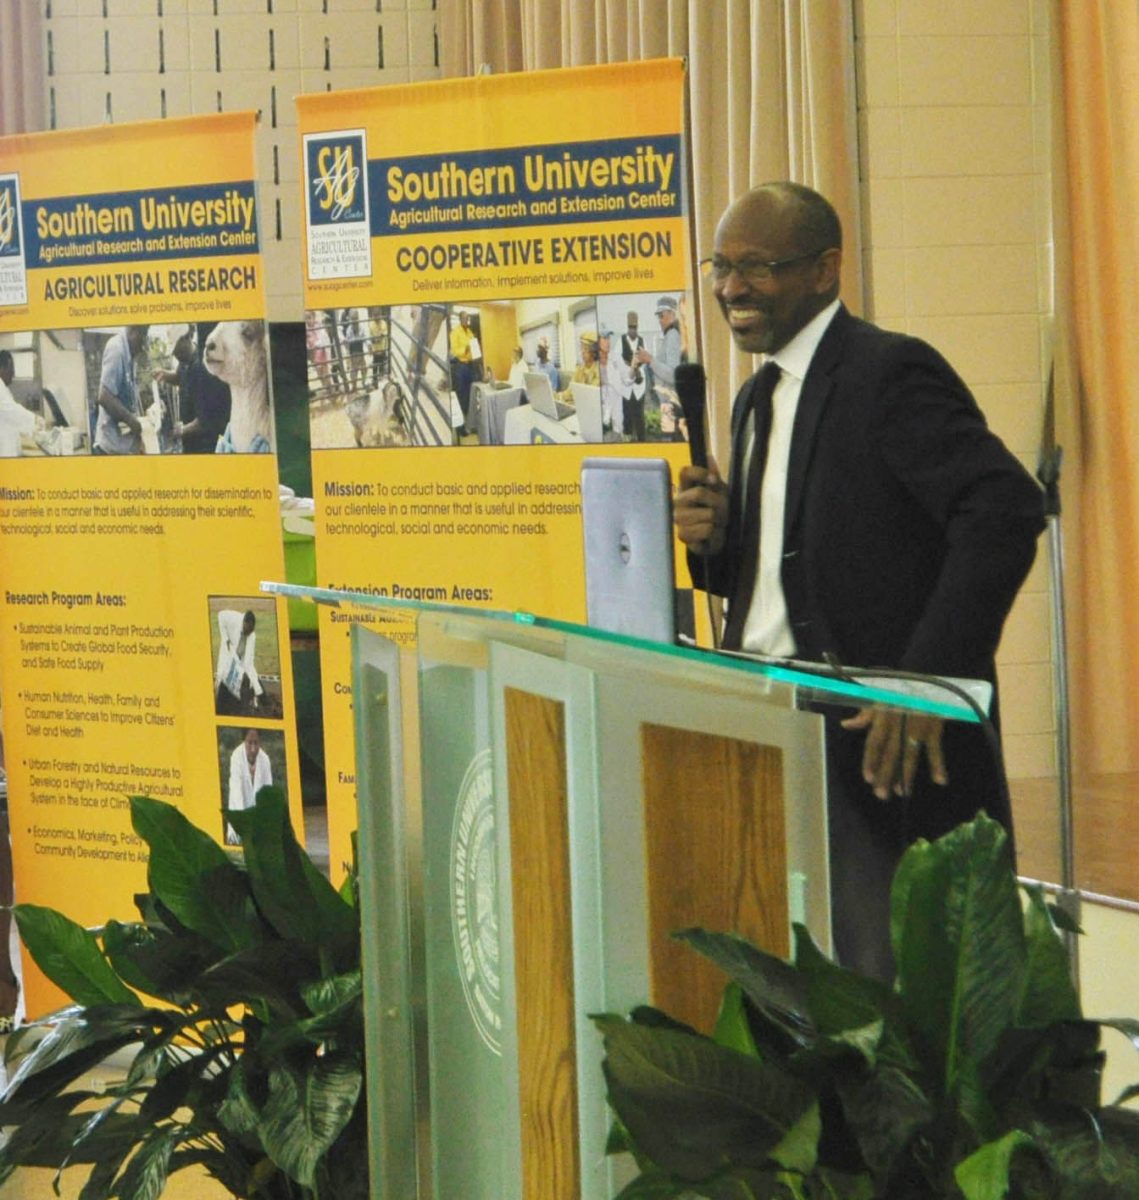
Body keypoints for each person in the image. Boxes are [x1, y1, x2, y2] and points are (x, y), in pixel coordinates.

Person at [674, 182, 1045, 979]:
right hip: (768, 725)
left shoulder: (887, 373)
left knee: (890, 999)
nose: (730, 288)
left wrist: (923, 682)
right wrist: (715, 544)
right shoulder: (753, 397)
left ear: (824, 269)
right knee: (791, 988)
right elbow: (790, 564)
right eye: (721, 266)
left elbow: (1005, 511)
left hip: (871, 746)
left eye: (757, 268)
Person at [155, 325, 232, 454]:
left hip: (205, 446)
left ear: (185, 338)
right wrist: (165, 375)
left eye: (176, 348)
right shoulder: (184, 362)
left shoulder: (202, 369)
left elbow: (206, 419)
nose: (174, 353)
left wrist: (182, 430)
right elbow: (180, 377)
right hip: (191, 442)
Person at [94, 325, 149, 455]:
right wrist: (131, 421)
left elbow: (126, 400)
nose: (143, 344)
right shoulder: (117, 350)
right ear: (133, 332)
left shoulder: (130, 353)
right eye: (143, 336)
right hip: (110, 450)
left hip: (123, 447)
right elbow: (104, 396)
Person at [214, 609, 264, 716]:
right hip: (228, 654)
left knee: (244, 680)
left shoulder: (252, 636)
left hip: (239, 659)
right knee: (223, 678)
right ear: (244, 623)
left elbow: (249, 662)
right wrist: (225, 638)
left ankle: (245, 704)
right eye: (248, 630)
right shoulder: (234, 618)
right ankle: (219, 707)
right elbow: (220, 615)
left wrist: (258, 690)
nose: (249, 633)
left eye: (251, 631)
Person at [226, 728, 272, 844]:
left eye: (256, 743)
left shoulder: (265, 760)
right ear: (244, 741)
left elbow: (267, 793)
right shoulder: (236, 757)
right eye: (249, 743)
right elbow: (236, 792)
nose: (253, 749)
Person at [635, 295, 683, 390]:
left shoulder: (673, 335)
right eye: (658, 317)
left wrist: (650, 360)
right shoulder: (670, 335)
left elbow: (674, 375)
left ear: (673, 314)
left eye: (661, 316)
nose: (660, 321)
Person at [0, 350, 38, 457]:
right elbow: (12, 410)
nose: (13, 373)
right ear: (1, 369)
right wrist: (35, 419)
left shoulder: (3, 388)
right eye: (11, 369)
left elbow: (12, 417)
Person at [619, 311, 647, 439]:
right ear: (627, 326)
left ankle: (642, 443)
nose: (632, 330)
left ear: (638, 327)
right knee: (627, 419)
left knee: (640, 419)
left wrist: (638, 367)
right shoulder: (620, 342)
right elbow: (618, 364)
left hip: (639, 389)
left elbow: (646, 362)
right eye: (630, 327)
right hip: (626, 389)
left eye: (635, 327)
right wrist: (630, 367)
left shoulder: (643, 341)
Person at [449, 310, 476, 434]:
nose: (467, 320)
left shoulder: (470, 332)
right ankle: (460, 428)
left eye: (468, 318)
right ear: (460, 319)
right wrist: (466, 348)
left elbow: (474, 350)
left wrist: (476, 350)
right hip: (460, 367)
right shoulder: (455, 332)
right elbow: (454, 351)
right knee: (460, 397)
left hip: (470, 366)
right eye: (465, 318)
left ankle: (469, 424)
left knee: (470, 395)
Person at [598, 327, 627, 436]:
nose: (608, 342)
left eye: (609, 338)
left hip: (615, 395)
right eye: (604, 338)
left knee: (618, 426)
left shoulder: (616, 356)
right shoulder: (595, 360)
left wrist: (633, 370)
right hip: (602, 397)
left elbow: (627, 376)